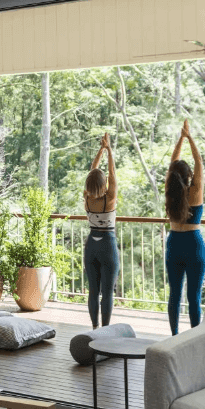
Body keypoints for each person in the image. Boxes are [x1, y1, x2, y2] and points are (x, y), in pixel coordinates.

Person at [164, 119, 205, 335]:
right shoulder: (195, 191)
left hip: (174, 244)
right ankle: (194, 339)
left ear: (171, 176)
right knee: (194, 297)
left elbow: (174, 162)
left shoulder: (171, 193)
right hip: (193, 244)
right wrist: (189, 138)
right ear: (189, 175)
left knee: (175, 295)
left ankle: (174, 336)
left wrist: (180, 140)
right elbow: (198, 160)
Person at [83, 132, 120, 329]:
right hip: (107, 245)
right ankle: (105, 330)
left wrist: (100, 150)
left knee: (93, 291)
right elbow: (112, 174)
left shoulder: (87, 199)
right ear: (104, 184)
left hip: (91, 245)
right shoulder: (109, 199)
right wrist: (109, 150)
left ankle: (94, 327)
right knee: (107, 292)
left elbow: (93, 171)